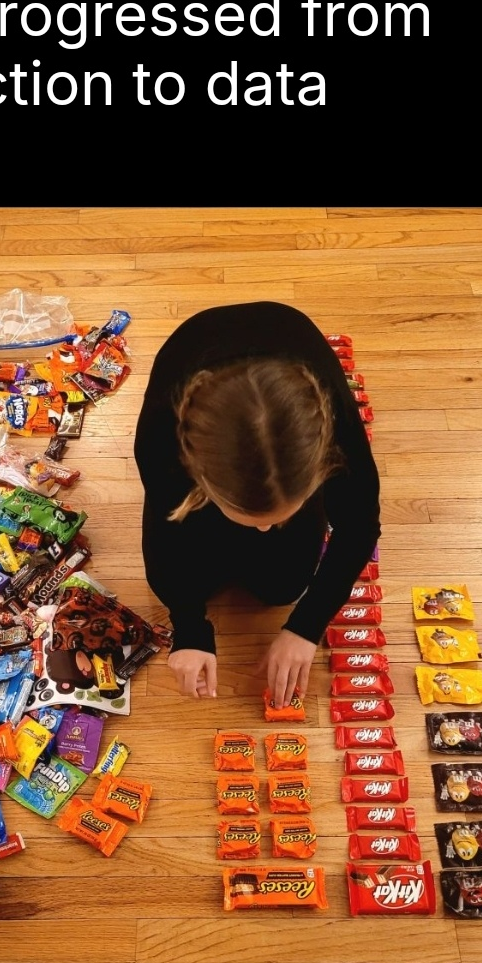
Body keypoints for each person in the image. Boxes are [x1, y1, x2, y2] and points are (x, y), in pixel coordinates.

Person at [133, 301, 381, 708]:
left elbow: (359, 526)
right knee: (172, 582)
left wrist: (306, 626)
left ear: (322, 470)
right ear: (198, 479)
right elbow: (165, 528)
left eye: (281, 514)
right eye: (249, 517)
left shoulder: (336, 429)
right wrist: (189, 628)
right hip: (193, 363)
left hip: (287, 354)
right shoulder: (163, 439)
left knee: (284, 586)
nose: (265, 530)